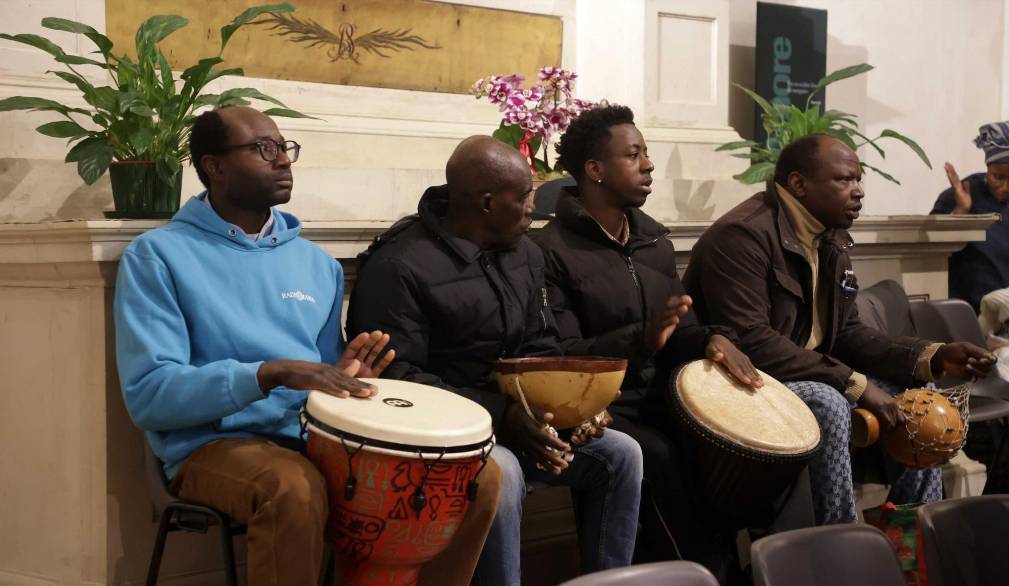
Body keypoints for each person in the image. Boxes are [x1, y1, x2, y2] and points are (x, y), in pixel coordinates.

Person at [114, 106, 500, 586]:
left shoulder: (317, 264)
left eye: (285, 149)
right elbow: (150, 396)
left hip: (312, 440)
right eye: (264, 149)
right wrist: (269, 373)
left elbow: (318, 378)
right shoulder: (158, 257)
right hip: (211, 445)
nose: (283, 161)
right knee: (293, 487)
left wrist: (346, 374)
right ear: (213, 166)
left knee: (476, 479)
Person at [347, 135, 644, 586]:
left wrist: (572, 410)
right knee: (500, 470)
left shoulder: (525, 253)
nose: (533, 206)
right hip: (443, 440)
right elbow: (397, 379)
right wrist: (500, 417)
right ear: (487, 202)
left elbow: (542, 345)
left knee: (621, 453)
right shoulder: (399, 266)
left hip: (516, 423)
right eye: (524, 195)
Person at [683, 133, 996, 525]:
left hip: (810, 372)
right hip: (749, 380)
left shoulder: (830, 239)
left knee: (920, 398)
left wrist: (932, 355)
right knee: (827, 402)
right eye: (845, 180)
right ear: (798, 184)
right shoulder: (742, 236)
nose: (858, 191)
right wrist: (856, 384)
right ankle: (840, 544)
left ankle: (910, 538)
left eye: (858, 180)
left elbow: (848, 332)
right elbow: (751, 341)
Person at [530, 104, 763, 579]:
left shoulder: (653, 240)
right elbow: (565, 354)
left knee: (732, 443)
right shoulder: (550, 250)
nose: (648, 164)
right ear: (594, 170)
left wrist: (712, 337)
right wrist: (643, 339)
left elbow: (680, 325)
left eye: (646, 153)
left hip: (664, 394)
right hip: (602, 406)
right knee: (658, 458)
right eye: (633, 155)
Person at [931, 121, 1009, 312]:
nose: (1006, 187)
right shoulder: (961, 194)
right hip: (968, 315)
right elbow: (931, 252)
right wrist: (961, 212)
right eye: (998, 177)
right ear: (988, 168)